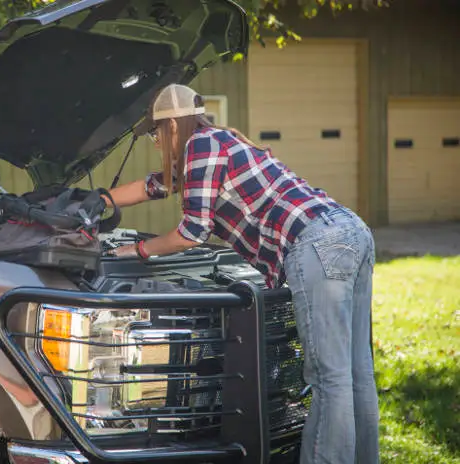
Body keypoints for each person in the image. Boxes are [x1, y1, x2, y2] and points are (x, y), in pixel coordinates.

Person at [108, 84, 379, 464]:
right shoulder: (219, 144)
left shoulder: (199, 146)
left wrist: (135, 250)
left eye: (154, 132)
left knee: (329, 378)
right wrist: (99, 201)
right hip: (350, 231)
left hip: (314, 243)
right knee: (356, 374)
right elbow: (153, 186)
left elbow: (192, 233)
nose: (155, 142)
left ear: (172, 125)